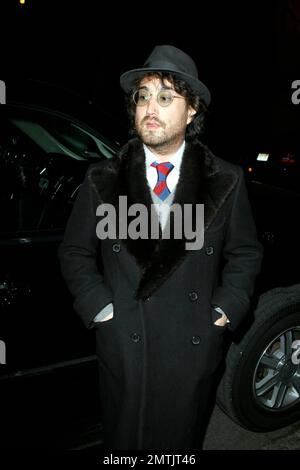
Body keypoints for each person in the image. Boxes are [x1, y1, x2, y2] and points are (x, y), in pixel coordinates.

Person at [59, 45, 263, 450]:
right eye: (143, 96)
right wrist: (100, 308)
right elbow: (74, 252)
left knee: (177, 444)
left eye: (166, 97)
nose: (150, 107)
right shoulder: (102, 177)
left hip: (191, 346)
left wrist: (223, 312)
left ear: (192, 110)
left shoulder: (226, 179)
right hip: (123, 343)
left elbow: (245, 253)